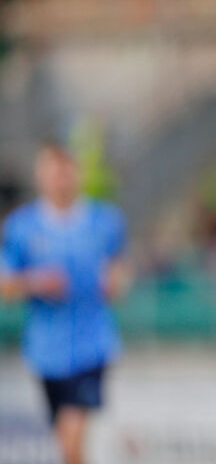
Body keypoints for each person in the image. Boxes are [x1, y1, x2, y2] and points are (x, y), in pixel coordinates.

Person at [0, 143, 129, 464]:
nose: (61, 179)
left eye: (66, 170)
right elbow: (5, 284)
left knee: (72, 439)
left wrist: (115, 282)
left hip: (91, 347)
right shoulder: (21, 227)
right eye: (53, 172)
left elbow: (119, 269)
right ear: (40, 176)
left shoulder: (105, 221)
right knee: (66, 445)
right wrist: (35, 281)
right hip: (46, 351)